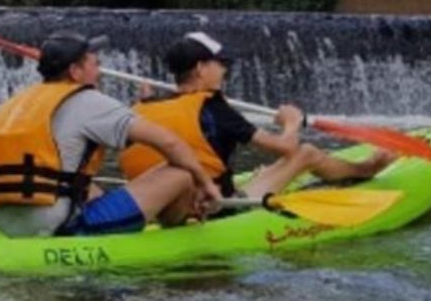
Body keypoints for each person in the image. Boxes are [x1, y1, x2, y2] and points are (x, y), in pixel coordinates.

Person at [0, 31, 222, 238]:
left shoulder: (16, 103)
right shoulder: (87, 100)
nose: (99, 72)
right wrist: (206, 183)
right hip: (59, 224)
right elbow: (169, 142)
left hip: (8, 222)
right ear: (75, 71)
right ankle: (177, 232)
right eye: (95, 64)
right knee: (181, 171)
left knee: (86, 184)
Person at [119, 31, 395, 202]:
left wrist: (146, 98)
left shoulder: (142, 107)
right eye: (221, 64)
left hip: (154, 205)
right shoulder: (213, 108)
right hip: (215, 207)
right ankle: (367, 169)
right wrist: (291, 123)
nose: (225, 70)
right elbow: (287, 147)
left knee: (263, 168)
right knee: (306, 152)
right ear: (201, 68)